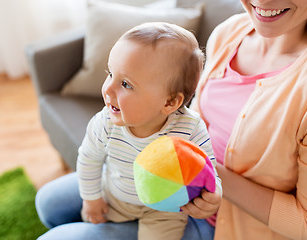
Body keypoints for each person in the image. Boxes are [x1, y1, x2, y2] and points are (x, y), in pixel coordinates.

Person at [35, 22, 222, 240]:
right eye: (110, 73)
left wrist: (214, 193)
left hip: (164, 211)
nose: (108, 89)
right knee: (67, 208)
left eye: (126, 84)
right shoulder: (106, 122)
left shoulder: (190, 129)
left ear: (170, 102)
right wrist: (91, 198)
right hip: (114, 195)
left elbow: (208, 167)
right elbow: (88, 159)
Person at [184, 0, 307, 239]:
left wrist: (208, 171)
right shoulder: (230, 32)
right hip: (181, 206)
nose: (263, 1)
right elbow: (194, 125)